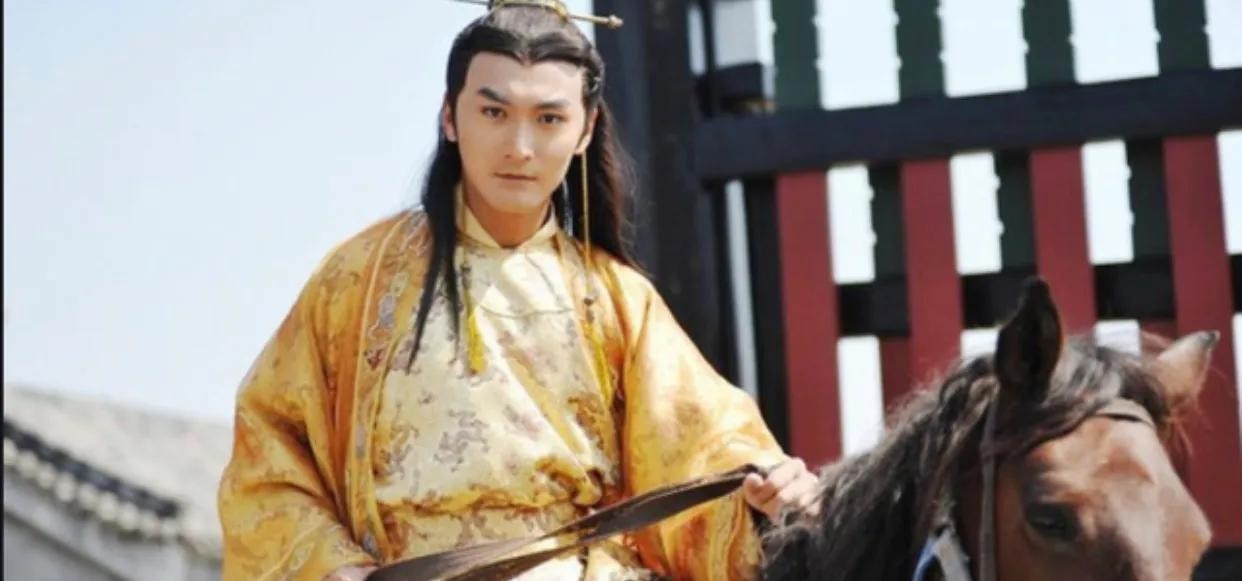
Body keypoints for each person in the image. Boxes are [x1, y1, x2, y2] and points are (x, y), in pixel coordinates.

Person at [217, 1, 818, 579]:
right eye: (494, 112)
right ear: (449, 117)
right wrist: (329, 565)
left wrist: (764, 492)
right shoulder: (358, 278)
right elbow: (269, 448)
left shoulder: (616, 299)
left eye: (549, 119)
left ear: (585, 130)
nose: (519, 148)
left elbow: (708, 451)